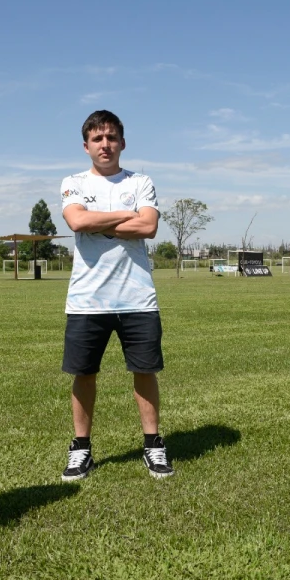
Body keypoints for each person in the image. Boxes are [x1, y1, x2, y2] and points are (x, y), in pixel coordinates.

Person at [59, 110, 172, 481]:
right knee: (84, 374)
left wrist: (101, 219)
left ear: (122, 143)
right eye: (97, 139)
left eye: (111, 138)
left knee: (145, 371)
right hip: (87, 299)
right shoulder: (72, 182)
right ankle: (81, 450)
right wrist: (127, 217)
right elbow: (77, 221)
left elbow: (150, 226)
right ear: (86, 146)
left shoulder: (141, 181)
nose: (104, 145)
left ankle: (154, 445)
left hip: (137, 296)